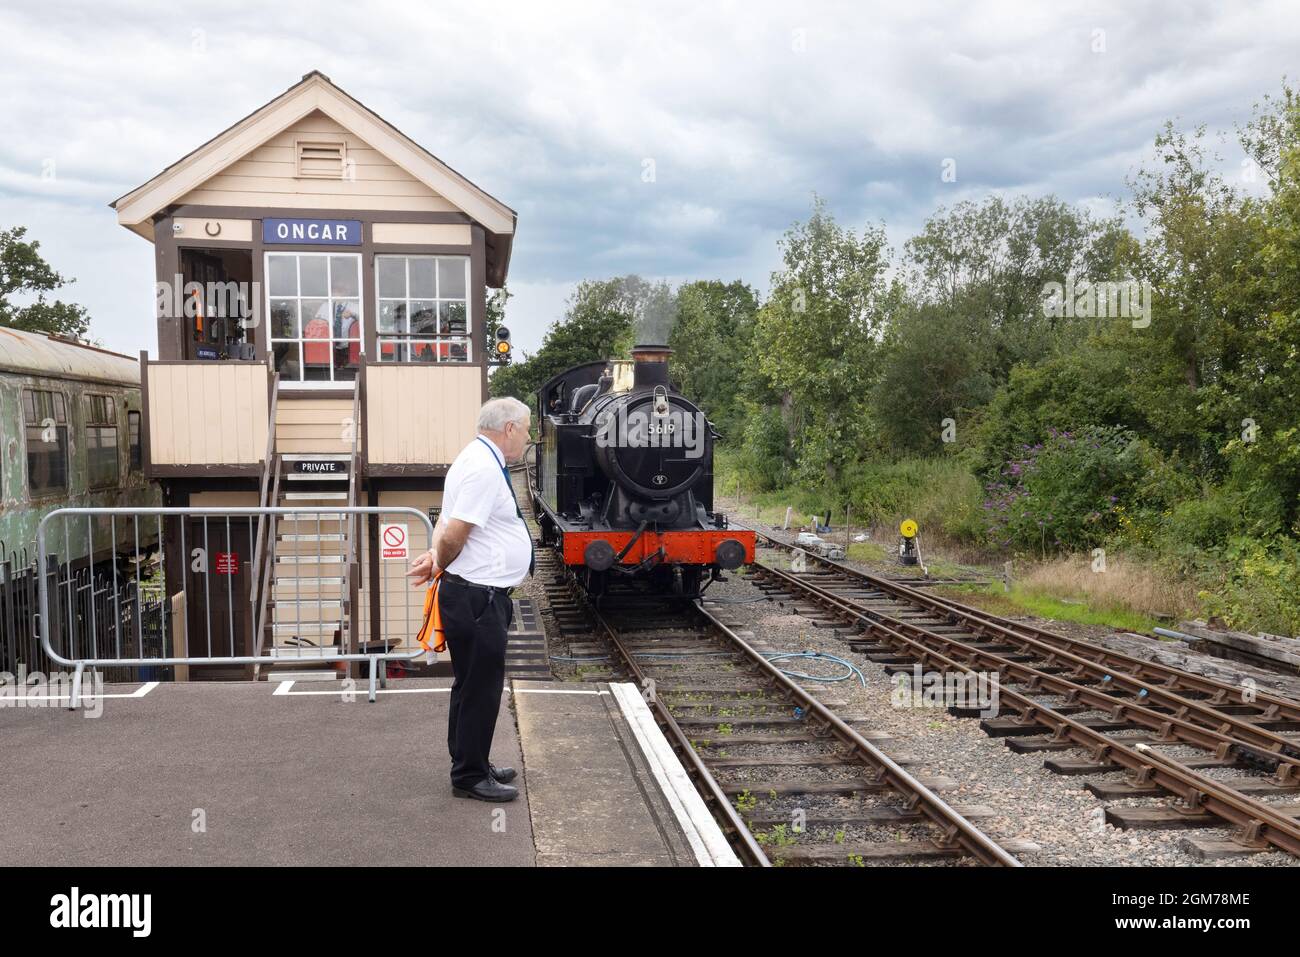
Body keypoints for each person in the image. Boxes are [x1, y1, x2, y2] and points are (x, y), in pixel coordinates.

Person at [407, 397, 534, 802]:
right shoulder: (482, 467)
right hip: (478, 598)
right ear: (509, 428)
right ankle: (469, 776)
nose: (529, 437)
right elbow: (456, 530)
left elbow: (446, 520)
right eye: (527, 428)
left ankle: (472, 759)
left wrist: (434, 556)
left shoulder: (474, 458)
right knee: (481, 688)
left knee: (469, 685)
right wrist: (439, 560)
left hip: (475, 595)